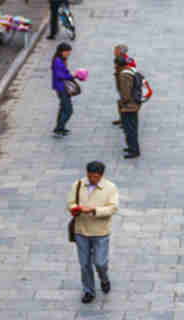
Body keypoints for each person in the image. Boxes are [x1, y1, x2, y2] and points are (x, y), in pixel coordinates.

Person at [68, 161, 120, 303]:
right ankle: (89, 291)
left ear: (101, 175)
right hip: (81, 231)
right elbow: (70, 202)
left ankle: (104, 278)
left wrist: (93, 210)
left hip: (100, 232)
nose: (92, 179)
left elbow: (113, 208)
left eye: (95, 177)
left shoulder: (110, 188)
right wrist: (75, 208)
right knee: (84, 264)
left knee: (100, 262)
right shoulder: (78, 184)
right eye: (90, 176)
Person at [114, 46, 148, 158]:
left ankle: (134, 150)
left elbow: (125, 93)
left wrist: (123, 103)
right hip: (133, 105)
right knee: (131, 128)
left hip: (129, 106)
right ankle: (132, 147)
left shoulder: (124, 75)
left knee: (130, 129)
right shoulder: (129, 70)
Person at [51, 43, 78, 136]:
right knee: (68, 110)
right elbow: (60, 75)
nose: (68, 53)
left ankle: (61, 128)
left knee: (63, 108)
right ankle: (58, 128)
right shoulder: (58, 61)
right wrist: (72, 75)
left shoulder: (60, 60)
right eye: (67, 52)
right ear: (61, 51)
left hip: (62, 87)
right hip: (62, 88)